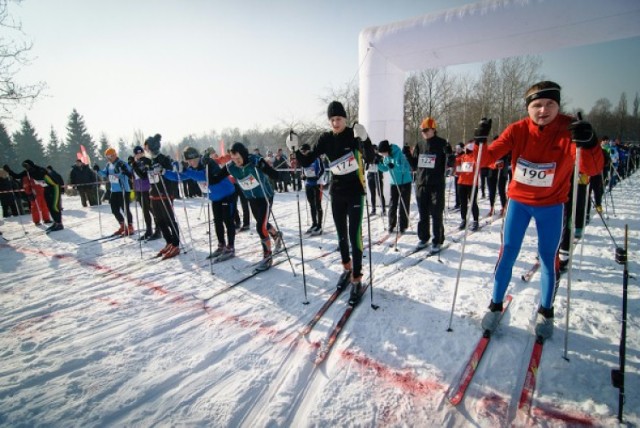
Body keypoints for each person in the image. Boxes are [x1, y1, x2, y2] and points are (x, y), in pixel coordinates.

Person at [476, 80, 604, 340]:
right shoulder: (517, 130)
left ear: (558, 104)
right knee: (507, 252)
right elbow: (487, 159)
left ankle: (546, 310)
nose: (543, 110)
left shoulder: (569, 130)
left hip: (552, 205)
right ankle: (495, 303)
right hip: (519, 203)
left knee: (548, 257)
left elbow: (592, 169)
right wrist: (481, 140)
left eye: (549, 104)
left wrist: (589, 142)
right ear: (528, 108)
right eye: (536, 105)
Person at [293, 100, 375, 305]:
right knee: (341, 237)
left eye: (338, 119)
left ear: (345, 119)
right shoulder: (326, 138)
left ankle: (357, 277)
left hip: (355, 192)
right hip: (337, 192)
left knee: (354, 236)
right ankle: (347, 269)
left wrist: (365, 139)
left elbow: (371, 158)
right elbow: (307, 160)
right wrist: (294, 149)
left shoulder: (353, 134)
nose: (335, 123)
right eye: (332, 120)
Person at [214, 142, 282, 271]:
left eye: (238, 158)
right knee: (263, 223)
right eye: (233, 159)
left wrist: (263, 166)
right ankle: (276, 235)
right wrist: (208, 167)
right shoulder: (231, 167)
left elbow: (275, 175)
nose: (236, 162)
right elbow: (216, 177)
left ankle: (267, 256)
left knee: (260, 226)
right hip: (252, 198)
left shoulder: (255, 161)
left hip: (264, 196)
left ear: (244, 155)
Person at [167, 147, 237, 260]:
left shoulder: (208, 163)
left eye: (193, 160)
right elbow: (177, 177)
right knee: (217, 222)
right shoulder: (191, 169)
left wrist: (185, 170)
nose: (191, 163)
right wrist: (164, 172)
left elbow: (202, 176)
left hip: (227, 194)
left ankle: (231, 247)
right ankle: (221, 245)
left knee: (228, 221)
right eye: (188, 161)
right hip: (215, 198)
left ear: (198, 157)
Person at [406, 117, 448, 253]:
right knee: (423, 213)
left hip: (436, 184)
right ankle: (424, 238)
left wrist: (450, 156)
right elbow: (414, 165)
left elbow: (450, 164)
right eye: (422, 130)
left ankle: (438, 239)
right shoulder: (420, 144)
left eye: (426, 130)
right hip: (421, 183)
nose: (423, 132)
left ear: (433, 129)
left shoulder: (442, 143)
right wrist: (407, 154)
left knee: (436, 213)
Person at [138, 133, 181, 260]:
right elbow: (143, 176)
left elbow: (170, 174)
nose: (145, 150)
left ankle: (176, 244)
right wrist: (136, 165)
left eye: (146, 148)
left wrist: (161, 169)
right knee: (160, 221)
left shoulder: (164, 159)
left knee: (169, 219)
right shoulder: (148, 160)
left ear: (151, 147)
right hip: (154, 193)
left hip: (165, 193)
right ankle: (168, 242)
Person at [3, 160, 63, 232]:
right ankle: (56, 222)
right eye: (24, 166)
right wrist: (9, 171)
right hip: (46, 188)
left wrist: (31, 170)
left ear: (31, 165)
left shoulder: (39, 169)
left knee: (54, 206)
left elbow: (40, 174)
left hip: (54, 187)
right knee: (49, 206)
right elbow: (17, 176)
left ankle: (59, 223)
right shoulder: (28, 172)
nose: (26, 168)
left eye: (27, 166)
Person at [376, 139, 413, 236]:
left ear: (387, 150)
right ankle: (391, 224)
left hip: (404, 181)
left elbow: (405, 167)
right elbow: (384, 168)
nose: (383, 155)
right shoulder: (386, 157)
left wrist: (394, 166)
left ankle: (403, 225)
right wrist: (378, 164)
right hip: (394, 182)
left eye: (383, 153)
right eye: (381, 154)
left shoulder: (399, 154)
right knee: (393, 204)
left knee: (403, 203)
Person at [98, 148, 134, 236]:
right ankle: (122, 225)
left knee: (125, 209)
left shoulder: (121, 163)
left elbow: (129, 172)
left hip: (124, 189)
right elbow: (104, 174)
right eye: (107, 156)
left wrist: (120, 173)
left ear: (114, 155)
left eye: (110, 156)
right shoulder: (108, 165)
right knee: (114, 209)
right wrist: (97, 170)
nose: (108, 158)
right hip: (114, 190)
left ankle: (130, 226)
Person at [131, 146, 161, 241]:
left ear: (143, 153)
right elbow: (133, 175)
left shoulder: (147, 161)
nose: (139, 155)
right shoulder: (135, 163)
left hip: (147, 187)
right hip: (139, 189)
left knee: (152, 210)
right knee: (145, 210)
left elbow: (143, 175)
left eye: (140, 153)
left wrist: (135, 166)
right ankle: (148, 230)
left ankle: (158, 230)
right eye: (137, 153)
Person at [300, 143, 325, 235]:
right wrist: (302, 176)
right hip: (308, 184)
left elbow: (322, 169)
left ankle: (319, 225)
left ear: (309, 150)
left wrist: (317, 177)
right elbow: (303, 171)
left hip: (317, 183)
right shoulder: (303, 159)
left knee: (318, 204)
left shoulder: (316, 158)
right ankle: (314, 224)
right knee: (311, 204)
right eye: (302, 151)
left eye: (304, 151)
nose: (303, 153)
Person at [455, 141, 480, 231]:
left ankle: (476, 221)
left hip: (472, 184)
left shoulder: (476, 157)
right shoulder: (463, 157)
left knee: (473, 202)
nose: (465, 150)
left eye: (466, 148)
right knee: (463, 203)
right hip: (461, 182)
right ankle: (463, 219)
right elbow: (457, 164)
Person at [485, 136, 509, 217]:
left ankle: (504, 207)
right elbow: (487, 161)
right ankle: (492, 207)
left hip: (502, 173)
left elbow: (508, 159)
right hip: (491, 173)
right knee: (492, 191)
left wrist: (504, 163)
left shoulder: (505, 149)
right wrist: (494, 165)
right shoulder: (490, 150)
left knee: (501, 190)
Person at [366, 144, 386, 216]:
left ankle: (383, 210)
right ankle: (373, 209)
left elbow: (383, 167)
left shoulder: (380, 157)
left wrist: (378, 162)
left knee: (380, 193)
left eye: (375, 149)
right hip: (370, 176)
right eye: (373, 149)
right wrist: (368, 163)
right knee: (372, 194)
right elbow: (366, 168)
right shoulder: (369, 157)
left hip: (378, 176)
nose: (374, 151)